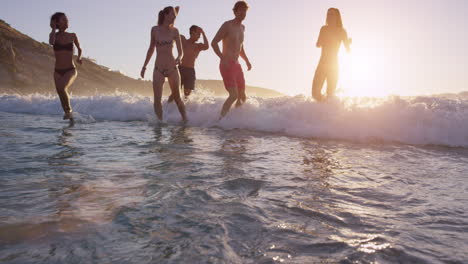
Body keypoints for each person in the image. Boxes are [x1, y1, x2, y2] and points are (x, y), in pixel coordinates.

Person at [141, 6, 187, 122]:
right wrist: (144, 66)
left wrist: (179, 58)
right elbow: (151, 48)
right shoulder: (154, 30)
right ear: (165, 15)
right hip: (158, 69)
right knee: (157, 100)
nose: (173, 18)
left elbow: (181, 52)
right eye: (172, 15)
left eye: (175, 16)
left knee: (177, 98)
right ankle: (160, 124)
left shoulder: (175, 31)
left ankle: (185, 121)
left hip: (172, 68)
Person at [211, 1, 252, 118]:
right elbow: (214, 43)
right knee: (233, 95)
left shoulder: (242, 28)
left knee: (242, 96)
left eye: (245, 11)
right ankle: (220, 121)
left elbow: (240, 47)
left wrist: (247, 60)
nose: (243, 13)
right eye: (240, 10)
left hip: (237, 64)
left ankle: (235, 120)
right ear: (235, 11)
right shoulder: (227, 25)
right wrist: (222, 58)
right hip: (227, 64)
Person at [312, 8, 351, 102]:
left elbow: (348, 49)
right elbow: (318, 44)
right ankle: (322, 108)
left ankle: (329, 111)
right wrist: (322, 41)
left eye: (332, 14)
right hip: (322, 64)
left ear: (337, 17)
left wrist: (348, 43)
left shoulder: (342, 31)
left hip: (333, 66)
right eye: (328, 14)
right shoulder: (324, 29)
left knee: (330, 95)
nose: (329, 16)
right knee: (315, 94)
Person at [49, 12, 82, 121]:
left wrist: (79, 58)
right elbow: (51, 42)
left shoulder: (72, 35)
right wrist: (53, 29)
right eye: (63, 19)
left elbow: (80, 49)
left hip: (70, 70)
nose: (67, 21)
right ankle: (70, 117)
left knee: (62, 88)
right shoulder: (53, 35)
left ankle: (69, 111)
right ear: (57, 22)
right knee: (60, 92)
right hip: (57, 71)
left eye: (67, 19)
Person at [168, 25, 209, 102]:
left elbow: (207, 46)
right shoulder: (183, 40)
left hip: (190, 71)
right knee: (175, 93)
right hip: (180, 69)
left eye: (200, 35)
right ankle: (166, 108)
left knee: (187, 95)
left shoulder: (198, 46)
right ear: (192, 33)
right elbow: (172, 34)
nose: (199, 37)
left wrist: (203, 32)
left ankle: (183, 111)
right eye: (198, 34)